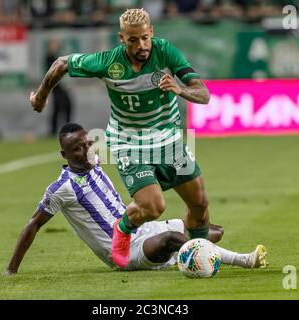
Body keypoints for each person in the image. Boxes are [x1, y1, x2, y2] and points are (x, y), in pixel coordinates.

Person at [30, 8, 216, 268]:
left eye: (144, 38)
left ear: (151, 33)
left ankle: (198, 259)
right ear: (121, 38)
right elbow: (62, 63)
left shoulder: (165, 52)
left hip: (168, 141)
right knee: (152, 207)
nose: (141, 45)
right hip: (129, 142)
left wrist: (180, 88)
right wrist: (41, 96)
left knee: (200, 204)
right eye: (133, 40)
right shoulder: (108, 62)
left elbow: (203, 94)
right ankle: (124, 227)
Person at [4, 123, 268, 274]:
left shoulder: (95, 160)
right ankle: (244, 260)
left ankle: (180, 257)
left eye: (86, 144)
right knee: (173, 239)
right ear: (64, 155)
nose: (85, 151)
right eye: (76, 149)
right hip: (124, 251)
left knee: (213, 231)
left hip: (143, 229)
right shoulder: (62, 189)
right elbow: (33, 224)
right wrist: (11, 270)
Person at [45, 39, 74, 136]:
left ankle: (66, 130)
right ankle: (55, 131)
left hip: (61, 86)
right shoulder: (49, 57)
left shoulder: (56, 57)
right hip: (57, 87)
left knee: (66, 106)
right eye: (54, 44)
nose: (55, 47)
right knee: (58, 108)